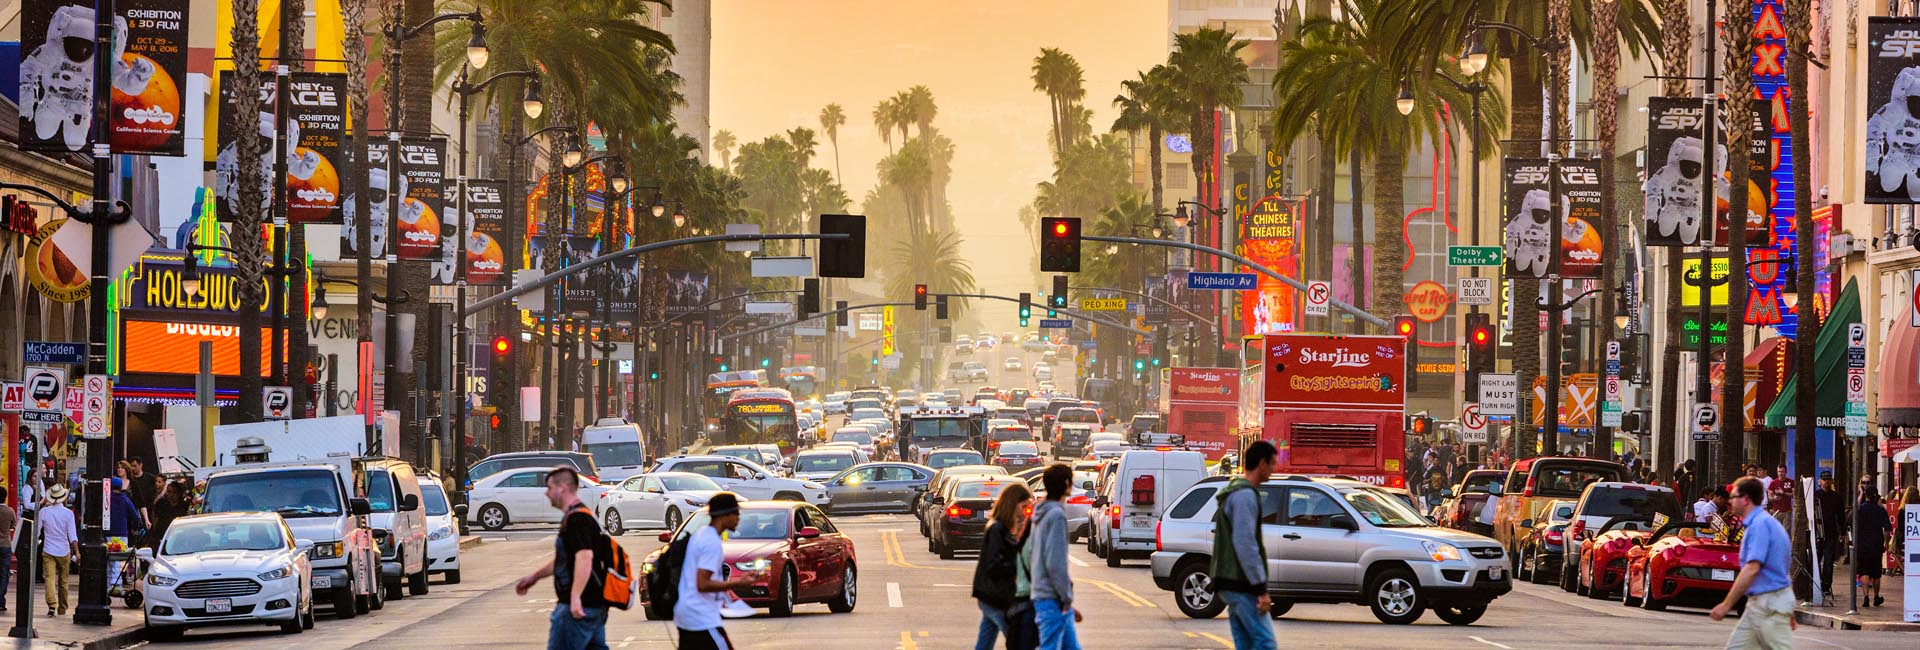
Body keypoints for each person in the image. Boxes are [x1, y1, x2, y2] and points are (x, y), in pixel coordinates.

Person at [512, 466, 611, 650]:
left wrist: (575, 598)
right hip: (594, 604)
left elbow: (585, 557)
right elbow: (565, 560)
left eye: (549, 488)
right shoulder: (582, 516)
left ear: (562, 488)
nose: (547, 494)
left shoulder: (577, 520)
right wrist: (534, 577)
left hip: (576, 608)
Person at [1711, 477, 1794, 649]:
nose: (1730, 501)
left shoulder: (1759, 526)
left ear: (1746, 499)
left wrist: (1726, 605)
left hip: (1770, 606)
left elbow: (1752, 569)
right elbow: (1781, 569)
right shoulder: (1760, 523)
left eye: (1734, 497)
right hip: (1759, 604)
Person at [671, 492, 759, 650]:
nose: (738, 518)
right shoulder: (711, 542)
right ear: (724, 515)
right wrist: (740, 581)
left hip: (686, 614)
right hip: (700, 617)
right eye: (736, 513)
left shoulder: (701, 534)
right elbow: (702, 584)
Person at [1212, 440, 1277, 650]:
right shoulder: (1245, 496)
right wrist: (1260, 588)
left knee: (1246, 644)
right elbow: (1246, 544)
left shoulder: (1235, 492)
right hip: (1240, 583)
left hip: (1230, 582)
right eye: (1272, 464)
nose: (1273, 470)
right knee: (1265, 642)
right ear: (1261, 463)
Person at [972, 483, 1033, 650]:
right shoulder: (997, 529)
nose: (1024, 511)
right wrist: (1017, 566)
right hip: (995, 596)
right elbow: (994, 564)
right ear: (1012, 504)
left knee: (985, 641)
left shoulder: (1003, 528)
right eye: (1023, 506)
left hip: (990, 595)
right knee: (1017, 641)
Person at [1029, 464, 1081, 650]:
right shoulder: (1056, 515)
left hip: (1045, 594)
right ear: (1066, 483)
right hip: (1052, 598)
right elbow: (1055, 563)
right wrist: (1066, 596)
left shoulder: (1040, 513)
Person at [38, 485, 76, 617]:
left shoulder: (44, 512)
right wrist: (77, 552)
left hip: (48, 549)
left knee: (49, 578)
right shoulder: (68, 513)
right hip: (64, 550)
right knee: (63, 581)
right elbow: (72, 535)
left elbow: (37, 532)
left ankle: (52, 605)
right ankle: (62, 607)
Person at [1851, 484, 1891, 608]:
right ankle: (1876, 596)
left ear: (1866, 496)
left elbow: (1852, 517)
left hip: (1862, 545)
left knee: (1864, 571)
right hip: (1876, 545)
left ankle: (1866, 597)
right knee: (1876, 573)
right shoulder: (1880, 511)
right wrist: (1886, 543)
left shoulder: (1860, 509)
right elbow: (1887, 530)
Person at [1814, 471, 1845, 594]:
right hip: (1817, 532)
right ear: (1820, 481)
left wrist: (1842, 532)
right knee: (1816, 559)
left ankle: (1826, 586)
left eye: (1828, 480)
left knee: (1828, 561)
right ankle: (1816, 584)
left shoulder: (1836, 497)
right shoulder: (1816, 495)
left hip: (1831, 532)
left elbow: (1841, 516)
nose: (1826, 482)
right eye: (1824, 480)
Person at [0, 496, 15, 612]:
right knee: (4, 573)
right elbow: (13, 525)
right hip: (5, 544)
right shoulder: (10, 511)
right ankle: (1, 601)